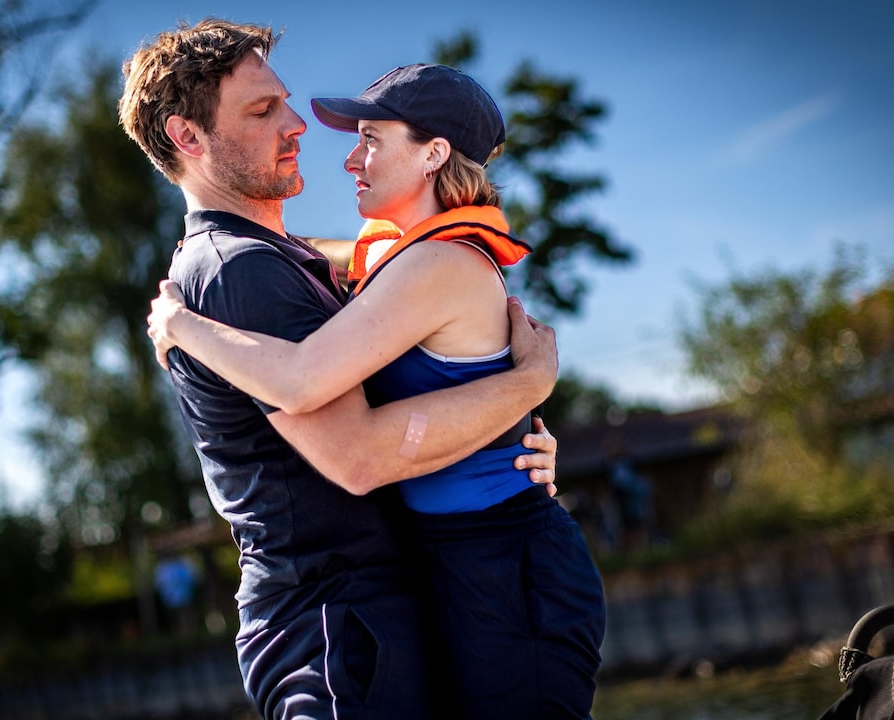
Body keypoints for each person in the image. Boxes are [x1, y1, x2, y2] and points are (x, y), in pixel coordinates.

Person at [120, 19, 562, 720]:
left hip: (374, 612)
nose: (296, 125)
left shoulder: (282, 258)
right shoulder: (241, 273)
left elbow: (391, 287)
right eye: (262, 110)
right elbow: (357, 456)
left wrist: (508, 438)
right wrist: (527, 385)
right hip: (336, 627)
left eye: (284, 101)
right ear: (187, 137)